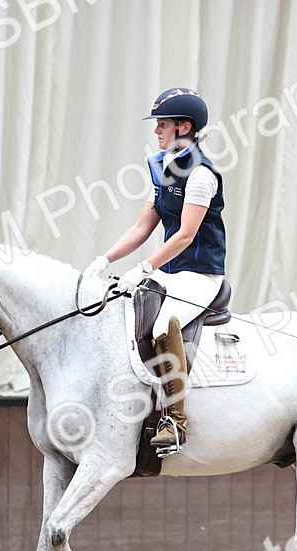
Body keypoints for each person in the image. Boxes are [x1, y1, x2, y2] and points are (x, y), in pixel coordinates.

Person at [86, 87, 227, 455]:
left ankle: (176, 423)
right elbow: (141, 227)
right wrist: (103, 261)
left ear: (184, 127)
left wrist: (144, 267)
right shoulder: (163, 167)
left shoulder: (201, 175)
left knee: (165, 326)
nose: (157, 131)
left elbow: (184, 235)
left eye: (162, 125)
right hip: (169, 272)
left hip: (199, 274)